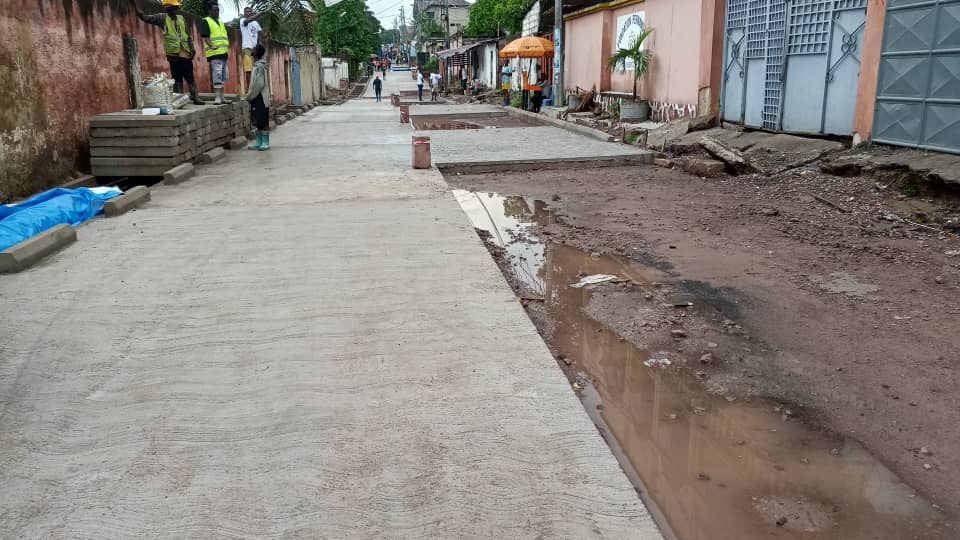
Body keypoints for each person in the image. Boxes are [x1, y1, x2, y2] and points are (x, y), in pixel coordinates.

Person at [131, 0, 204, 105]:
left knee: (189, 76)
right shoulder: (162, 17)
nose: (175, 10)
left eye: (176, 8)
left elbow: (187, 35)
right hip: (173, 54)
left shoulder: (181, 18)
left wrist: (192, 49)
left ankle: (195, 97)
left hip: (185, 53)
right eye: (174, 8)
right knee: (177, 78)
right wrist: (135, 4)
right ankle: (179, 100)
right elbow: (144, 17)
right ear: (168, 8)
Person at [200, 2, 231, 104]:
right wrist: (211, 45)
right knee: (217, 74)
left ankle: (222, 97)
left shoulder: (221, 23)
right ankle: (217, 97)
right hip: (214, 53)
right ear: (210, 10)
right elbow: (205, 36)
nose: (217, 12)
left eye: (218, 10)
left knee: (223, 76)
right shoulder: (206, 21)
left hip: (223, 52)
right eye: (215, 10)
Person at [245, 45, 271, 151]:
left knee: (263, 120)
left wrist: (250, 95)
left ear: (256, 53)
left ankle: (265, 143)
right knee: (257, 120)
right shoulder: (257, 65)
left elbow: (259, 84)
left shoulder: (260, 66)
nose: (252, 50)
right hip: (257, 96)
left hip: (260, 96)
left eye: (254, 49)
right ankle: (259, 142)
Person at [240, 7, 266, 89]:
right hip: (247, 49)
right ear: (244, 13)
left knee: (256, 70)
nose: (249, 13)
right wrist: (259, 14)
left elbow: (263, 35)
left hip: (255, 50)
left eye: (250, 11)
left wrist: (267, 32)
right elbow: (247, 21)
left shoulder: (256, 23)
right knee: (248, 70)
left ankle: (255, 88)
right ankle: (249, 89)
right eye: (247, 12)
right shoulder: (242, 21)